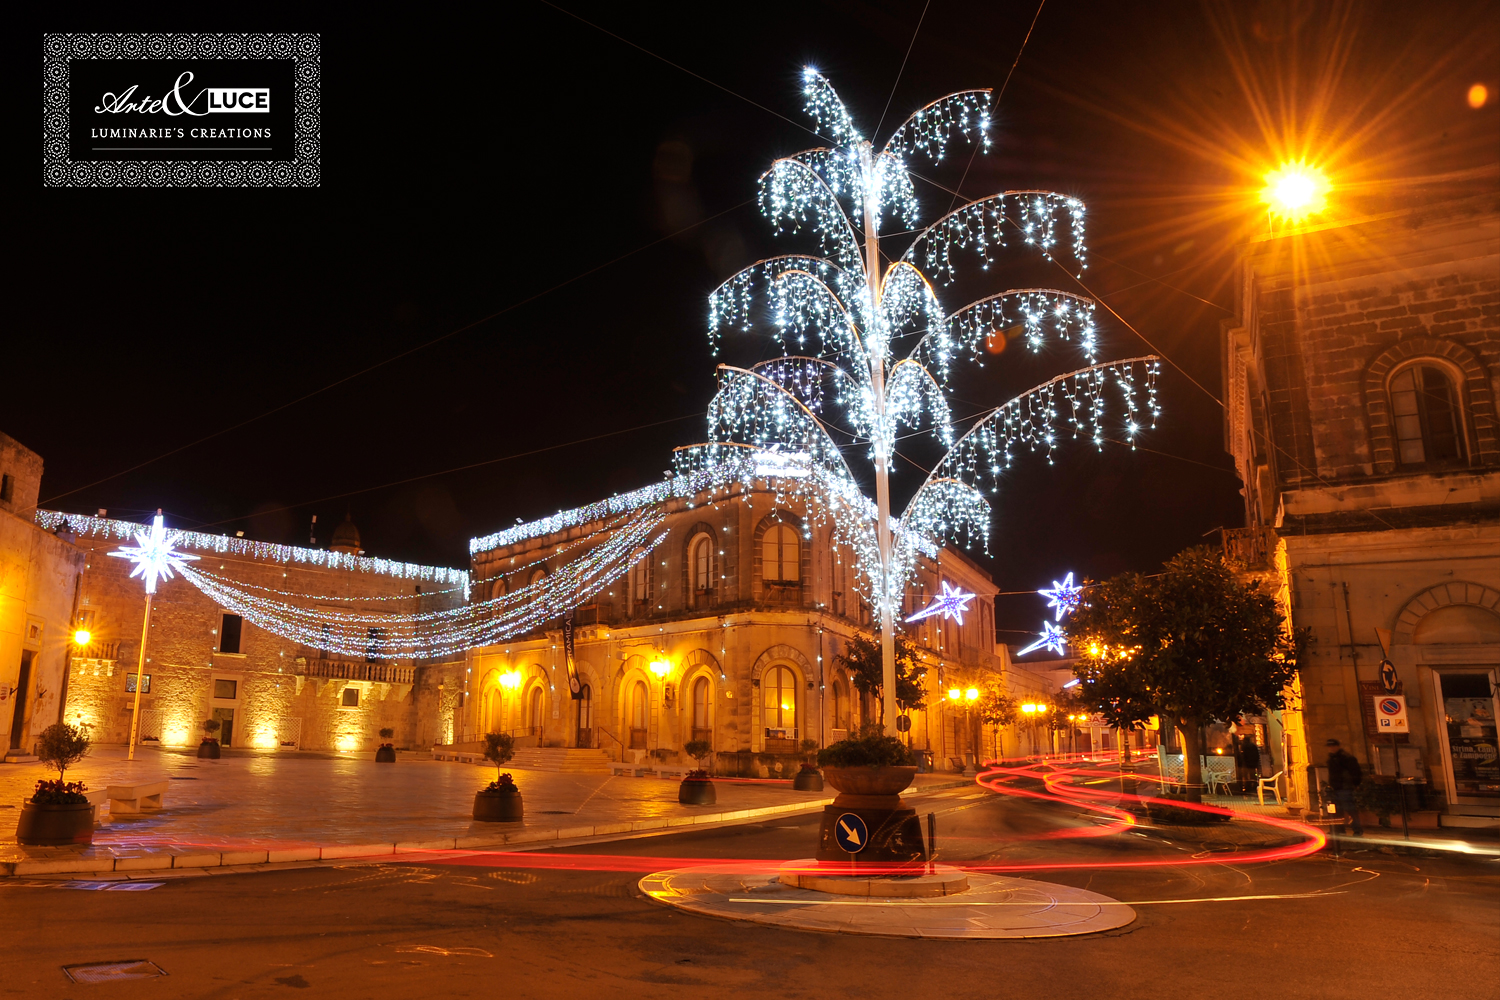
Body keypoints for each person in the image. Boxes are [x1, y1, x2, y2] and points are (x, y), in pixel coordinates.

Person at [1325, 738, 1364, 835]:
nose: (1331, 748)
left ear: (1338, 746)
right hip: (1336, 788)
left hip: (1344, 787)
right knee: (1337, 811)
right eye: (1329, 746)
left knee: (1350, 809)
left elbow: (1355, 772)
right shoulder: (1332, 758)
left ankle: (1357, 830)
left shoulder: (1346, 758)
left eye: (1333, 746)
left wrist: (1355, 784)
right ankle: (1339, 830)